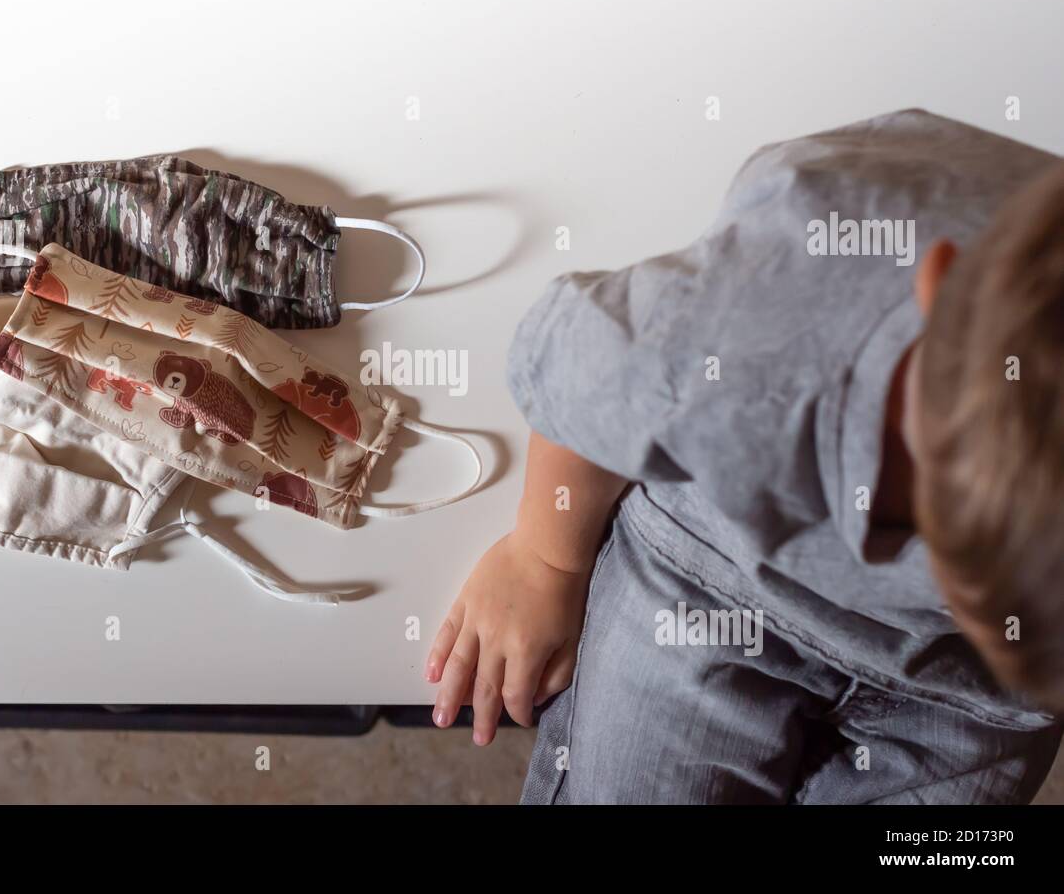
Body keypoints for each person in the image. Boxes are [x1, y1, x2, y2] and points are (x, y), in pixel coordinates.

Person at [427, 109, 1064, 803]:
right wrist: (545, 559)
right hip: (714, 577)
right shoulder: (755, 331)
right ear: (939, 285)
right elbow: (575, 373)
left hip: (974, 693)